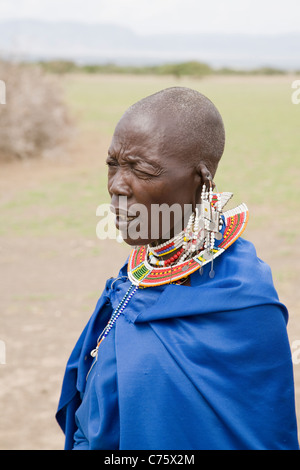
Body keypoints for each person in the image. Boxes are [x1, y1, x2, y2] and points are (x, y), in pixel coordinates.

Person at [56, 87, 299, 450]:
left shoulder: (244, 302)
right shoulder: (137, 272)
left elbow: (258, 434)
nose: (116, 186)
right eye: (113, 165)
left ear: (201, 181)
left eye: (141, 170)